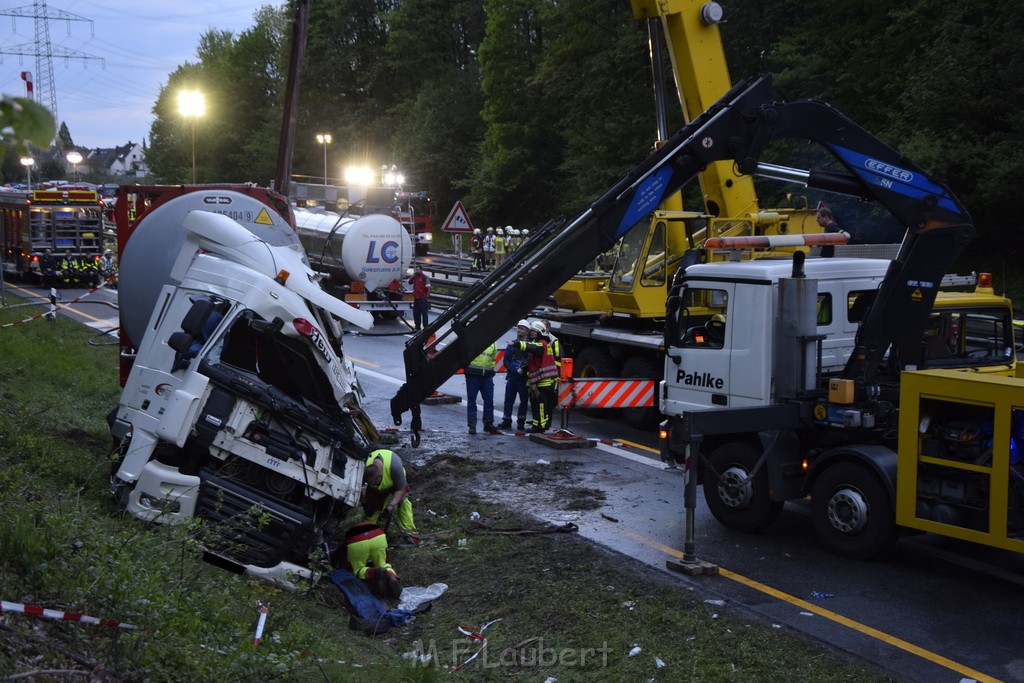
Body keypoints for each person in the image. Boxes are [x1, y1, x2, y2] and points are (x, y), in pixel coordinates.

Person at [363, 449, 417, 542]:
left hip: (394, 481)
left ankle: (410, 534)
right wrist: (365, 503)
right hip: (377, 484)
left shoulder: (395, 468)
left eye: (374, 483)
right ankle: (368, 534)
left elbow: (401, 489)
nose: (372, 485)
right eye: (370, 483)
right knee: (372, 510)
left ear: (379, 476)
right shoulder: (364, 468)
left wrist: (390, 506)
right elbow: (356, 488)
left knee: (403, 503)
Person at [517, 320, 559, 433]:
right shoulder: (541, 343)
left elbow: (531, 347)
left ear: (540, 332)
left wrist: (517, 343)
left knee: (540, 405)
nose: (532, 333)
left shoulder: (541, 344)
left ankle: (540, 426)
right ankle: (537, 425)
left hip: (542, 382)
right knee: (536, 404)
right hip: (540, 381)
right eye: (532, 331)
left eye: (534, 331)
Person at [343, 521, 402, 600]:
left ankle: (375, 572)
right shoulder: (371, 524)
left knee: (358, 569)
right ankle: (392, 576)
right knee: (383, 563)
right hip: (378, 535)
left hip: (356, 540)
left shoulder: (350, 533)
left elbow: (347, 564)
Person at [499, 320, 531, 431]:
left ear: (527, 331)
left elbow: (530, 360)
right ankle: (506, 420)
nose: (519, 330)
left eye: (522, 328)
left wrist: (523, 369)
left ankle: (521, 422)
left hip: (523, 378)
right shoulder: (511, 345)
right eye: (518, 328)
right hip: (513, 377)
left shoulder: (529, 346)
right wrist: (514, 370)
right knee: (508, 399)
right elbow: (506, 360)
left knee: (523, 400)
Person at [465, 341, 500, 435]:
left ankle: (488, 424)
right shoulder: (475, 338)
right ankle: (472, 425)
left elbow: (493, 359)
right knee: (472, 400)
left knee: (489, 400)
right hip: (473, 374)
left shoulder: (493, 342)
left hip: (486, 375)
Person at [408, 264, 430, 331]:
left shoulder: (425, 277)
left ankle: (425, 327)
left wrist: (427, 296)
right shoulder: (415, 277)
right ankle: (417, 326)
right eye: (415, 270)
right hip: (416, 297)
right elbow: (409, 282)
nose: (416, 271)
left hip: (423, 298)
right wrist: (412, 277)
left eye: (418, 270)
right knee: (416, 313)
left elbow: (428, 287)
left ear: (421, 270)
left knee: (424, 313)